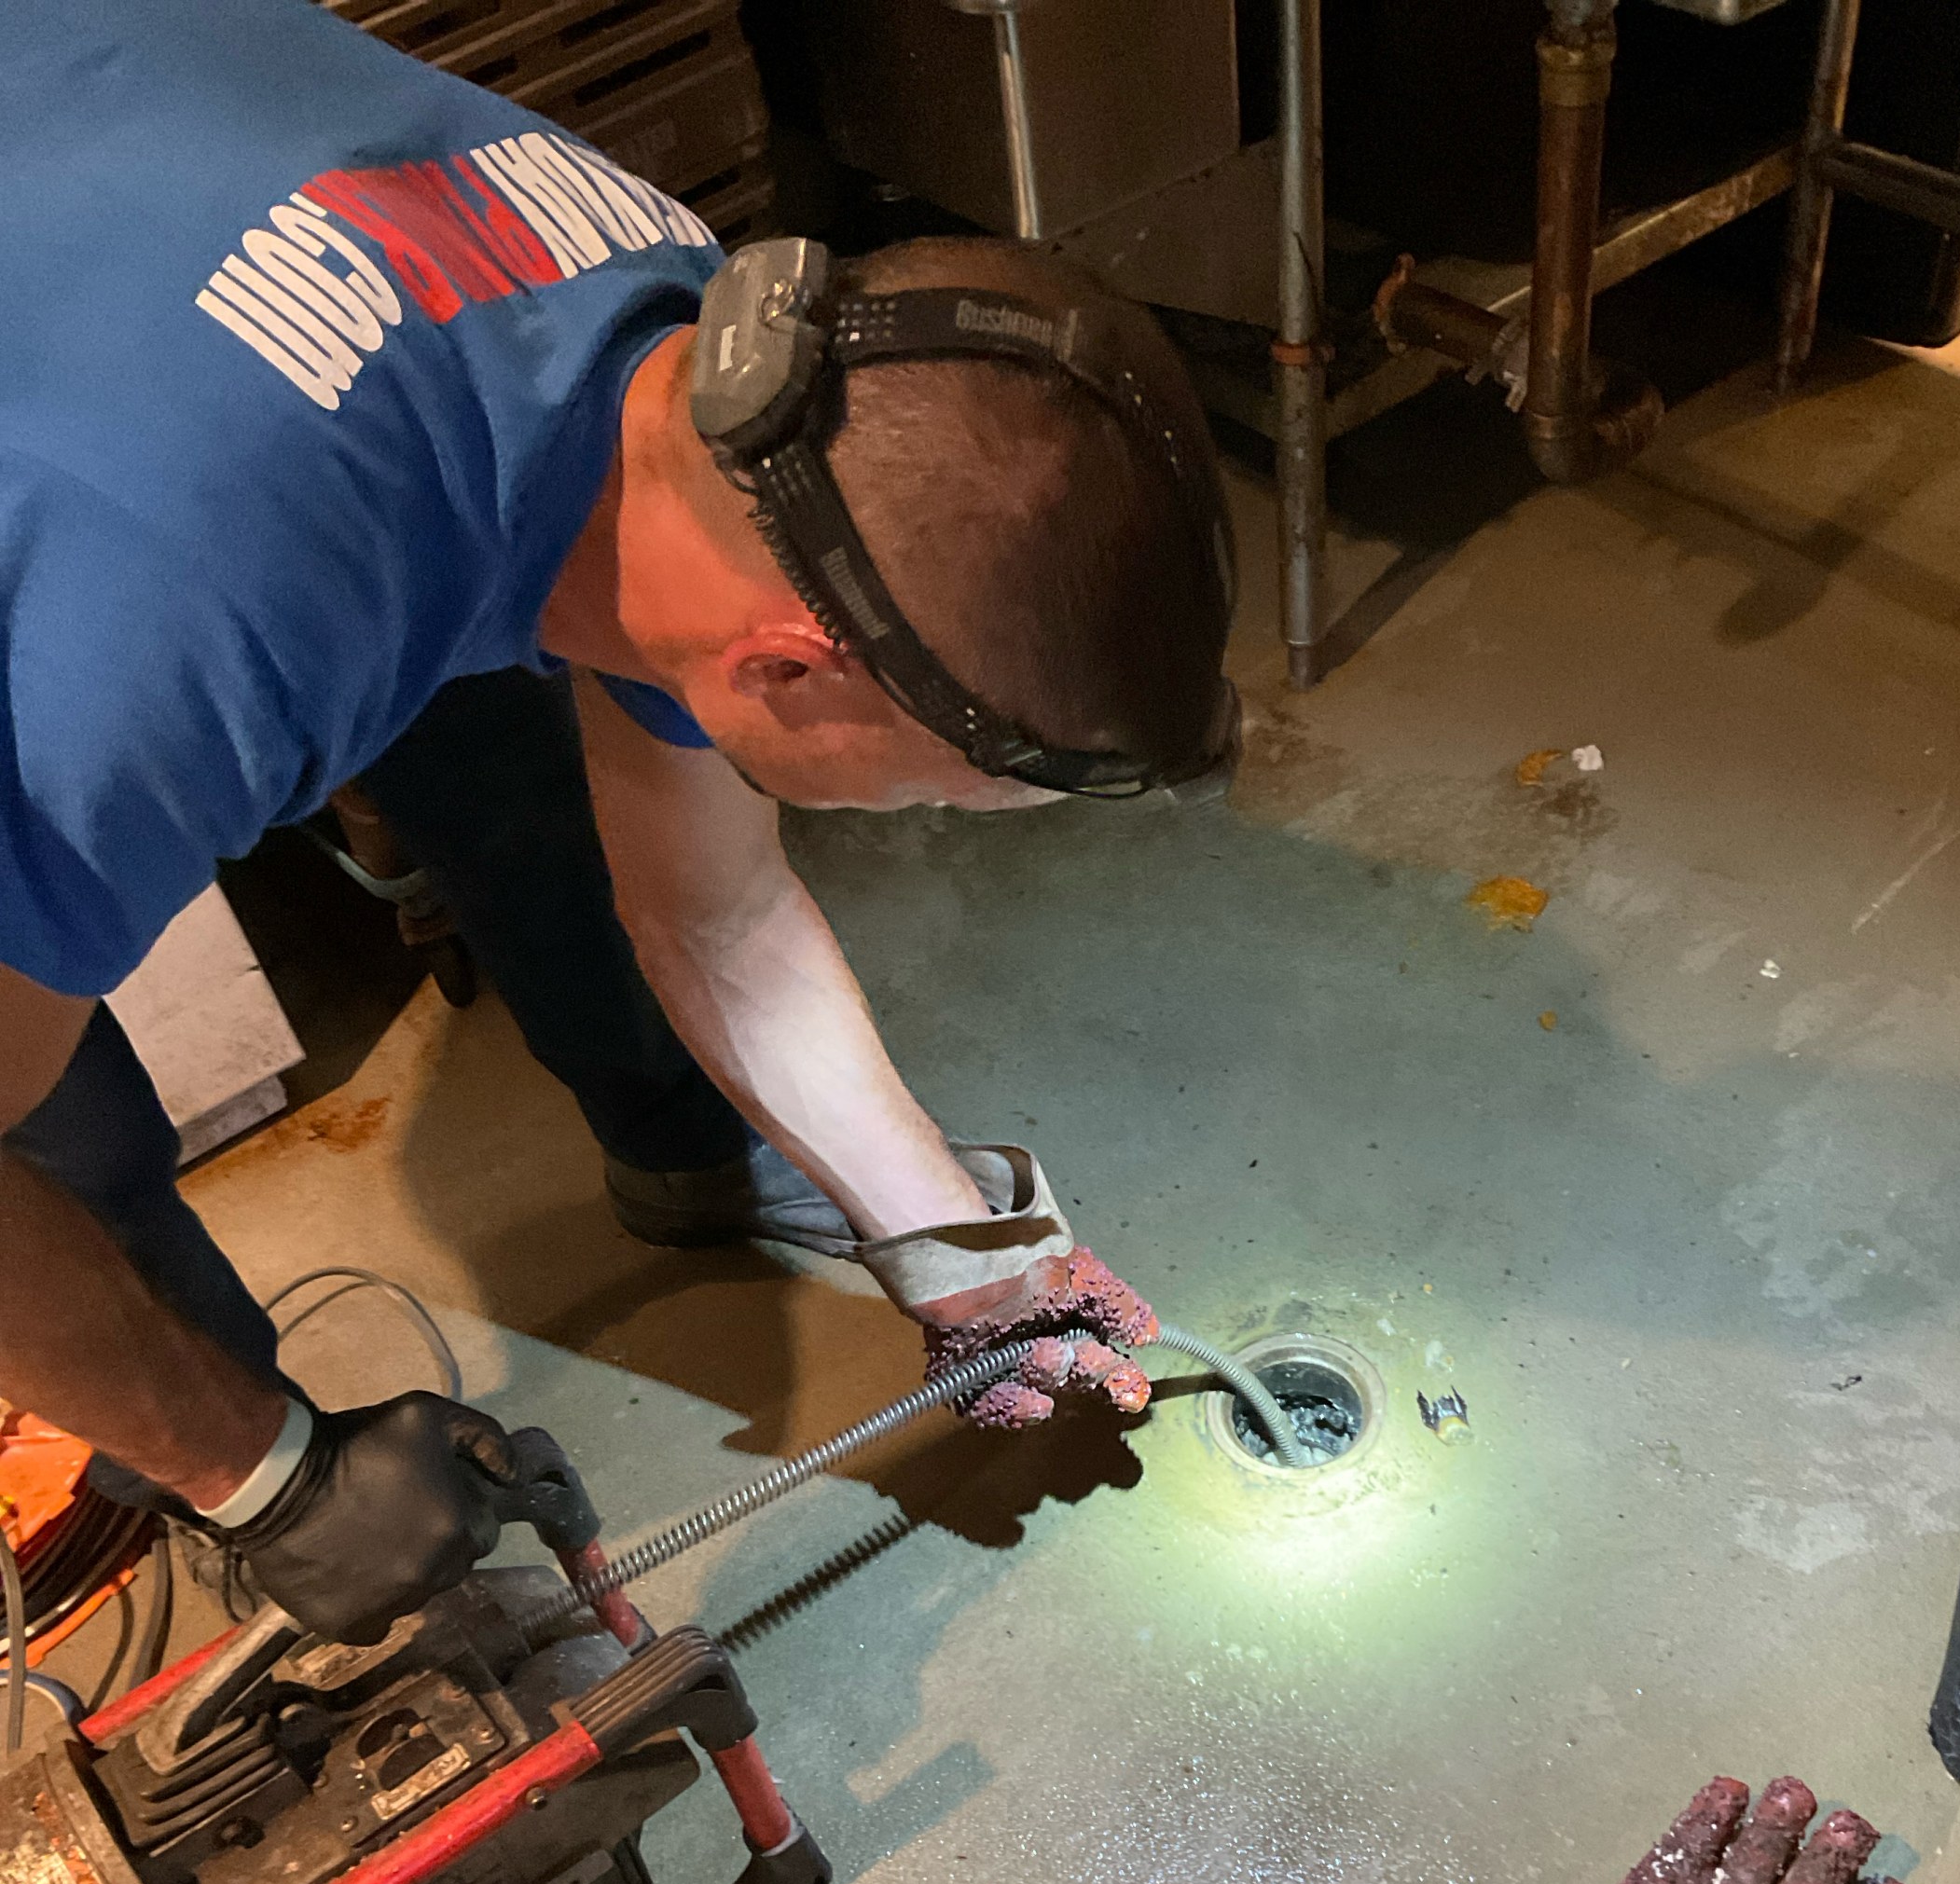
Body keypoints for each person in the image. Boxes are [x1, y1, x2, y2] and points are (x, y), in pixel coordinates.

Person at [0, 0, 1237, 1644]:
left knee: (516, 766)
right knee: (56, 1140)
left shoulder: (698, 369)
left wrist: (952, 1244)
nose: (935, 827)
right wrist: (264, 1470)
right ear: (792, 669)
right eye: (942, 800)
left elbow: (718, 910)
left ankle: (661, 1171)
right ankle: (227, 1498)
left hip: (114, 237)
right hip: (121, 473)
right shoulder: (176, 650)